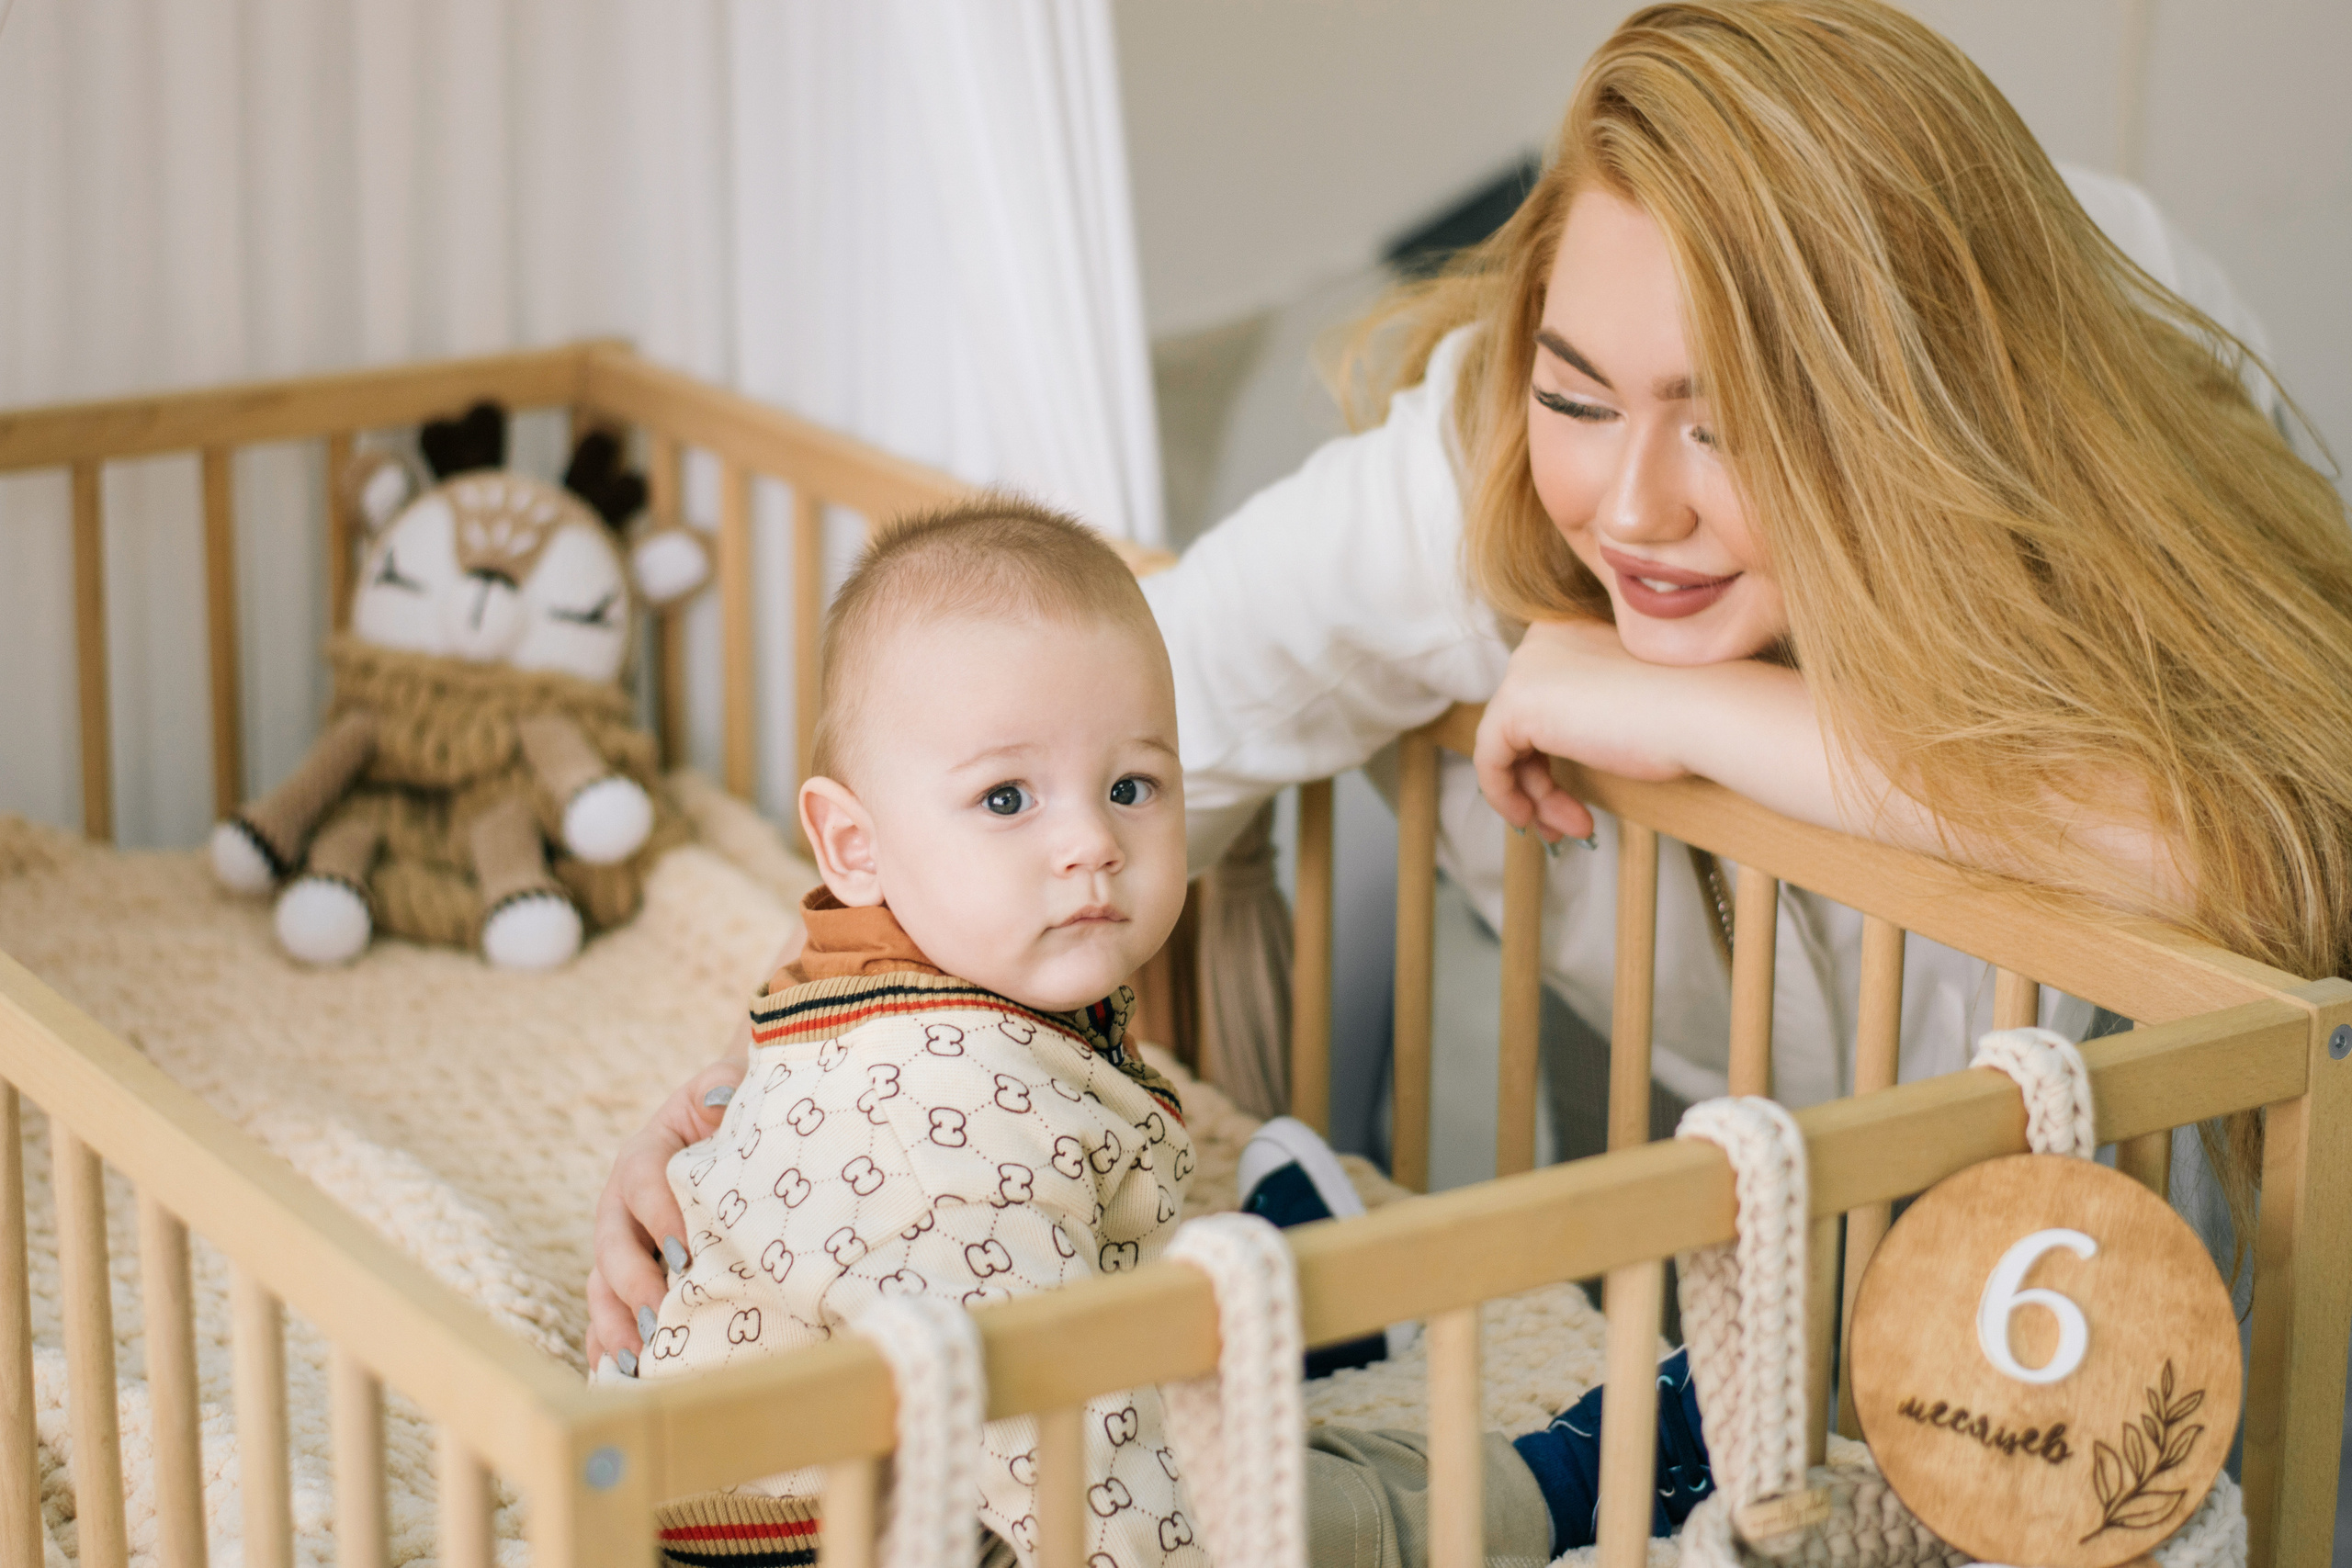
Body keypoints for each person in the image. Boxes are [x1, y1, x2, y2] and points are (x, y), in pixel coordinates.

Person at [595, 2, 2352, 1559]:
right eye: (1580, 392)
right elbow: (1036, 753)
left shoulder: (2108, 384)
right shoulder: (1469, 478)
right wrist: (784, 1103)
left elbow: (2260, 835)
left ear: (1916, 418)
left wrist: (1697, 719)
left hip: (2193, 1295)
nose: (1634, 508)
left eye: (1729, 423)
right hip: (1833, 1269)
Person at [626, 497, 1203, 1568]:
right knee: (1292, 1517)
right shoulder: (951, 1127)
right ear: (854, 843)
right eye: (1005, 799)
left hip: (905, 1480)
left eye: (1130, 786)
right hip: (830, 1541)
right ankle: (1546, 1483)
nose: (1091, 842)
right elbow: (1061, 1436)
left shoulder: (918, 974)